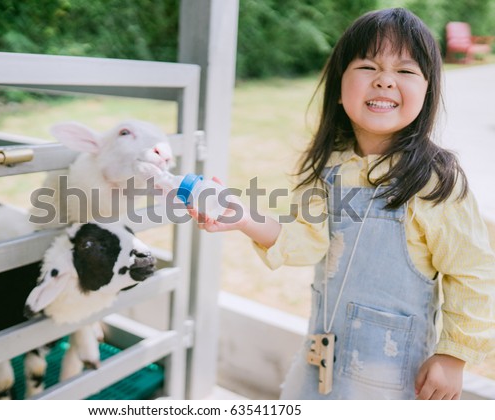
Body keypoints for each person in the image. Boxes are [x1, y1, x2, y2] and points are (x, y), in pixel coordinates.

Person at [189, 8, 495, 399]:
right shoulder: (329, 168)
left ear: (428, 91)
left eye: (404, 71)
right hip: (317, 369)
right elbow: (306, 239)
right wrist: (243, 217)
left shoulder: (434, 182)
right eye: (368, 66)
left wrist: (454, 355)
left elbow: (473, 272)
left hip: (391, 379)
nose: (385, 81)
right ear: (338, 87)